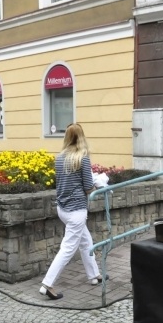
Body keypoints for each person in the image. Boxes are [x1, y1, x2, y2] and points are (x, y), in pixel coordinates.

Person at [39, 123, 103, 300]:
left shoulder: (59, 158)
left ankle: (94, 275)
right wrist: (98, 184)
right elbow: (88, 187)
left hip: (63, 209)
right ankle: (47, 284)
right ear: (82, 137)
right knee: (67, 249)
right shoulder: (82, 158)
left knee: (85, 241)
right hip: (77, 211)